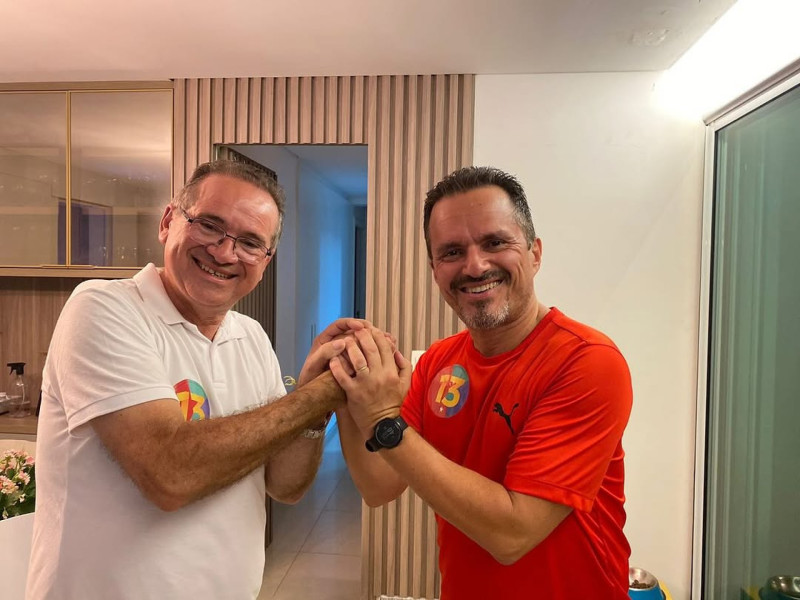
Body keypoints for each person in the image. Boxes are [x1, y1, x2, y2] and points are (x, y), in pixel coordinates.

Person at [27, 160, 363, 599]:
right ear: (168, 221)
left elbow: (286, 486)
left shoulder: (251, 336)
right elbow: (170, 475)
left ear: (266, 261)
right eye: (209, 225)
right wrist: (315, 397)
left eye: (250, 243)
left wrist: (315, 408)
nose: (224, 253)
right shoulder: (102, 309)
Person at [331, 166, 633, 600]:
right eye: (452, 252)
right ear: (435, 269)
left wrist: (384, 419)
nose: (475, 266)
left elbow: (513, 533)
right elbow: (378, 485)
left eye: (495, 243)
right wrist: (347, 391)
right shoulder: (438, 362)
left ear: (534, 253)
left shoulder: (587, 362)